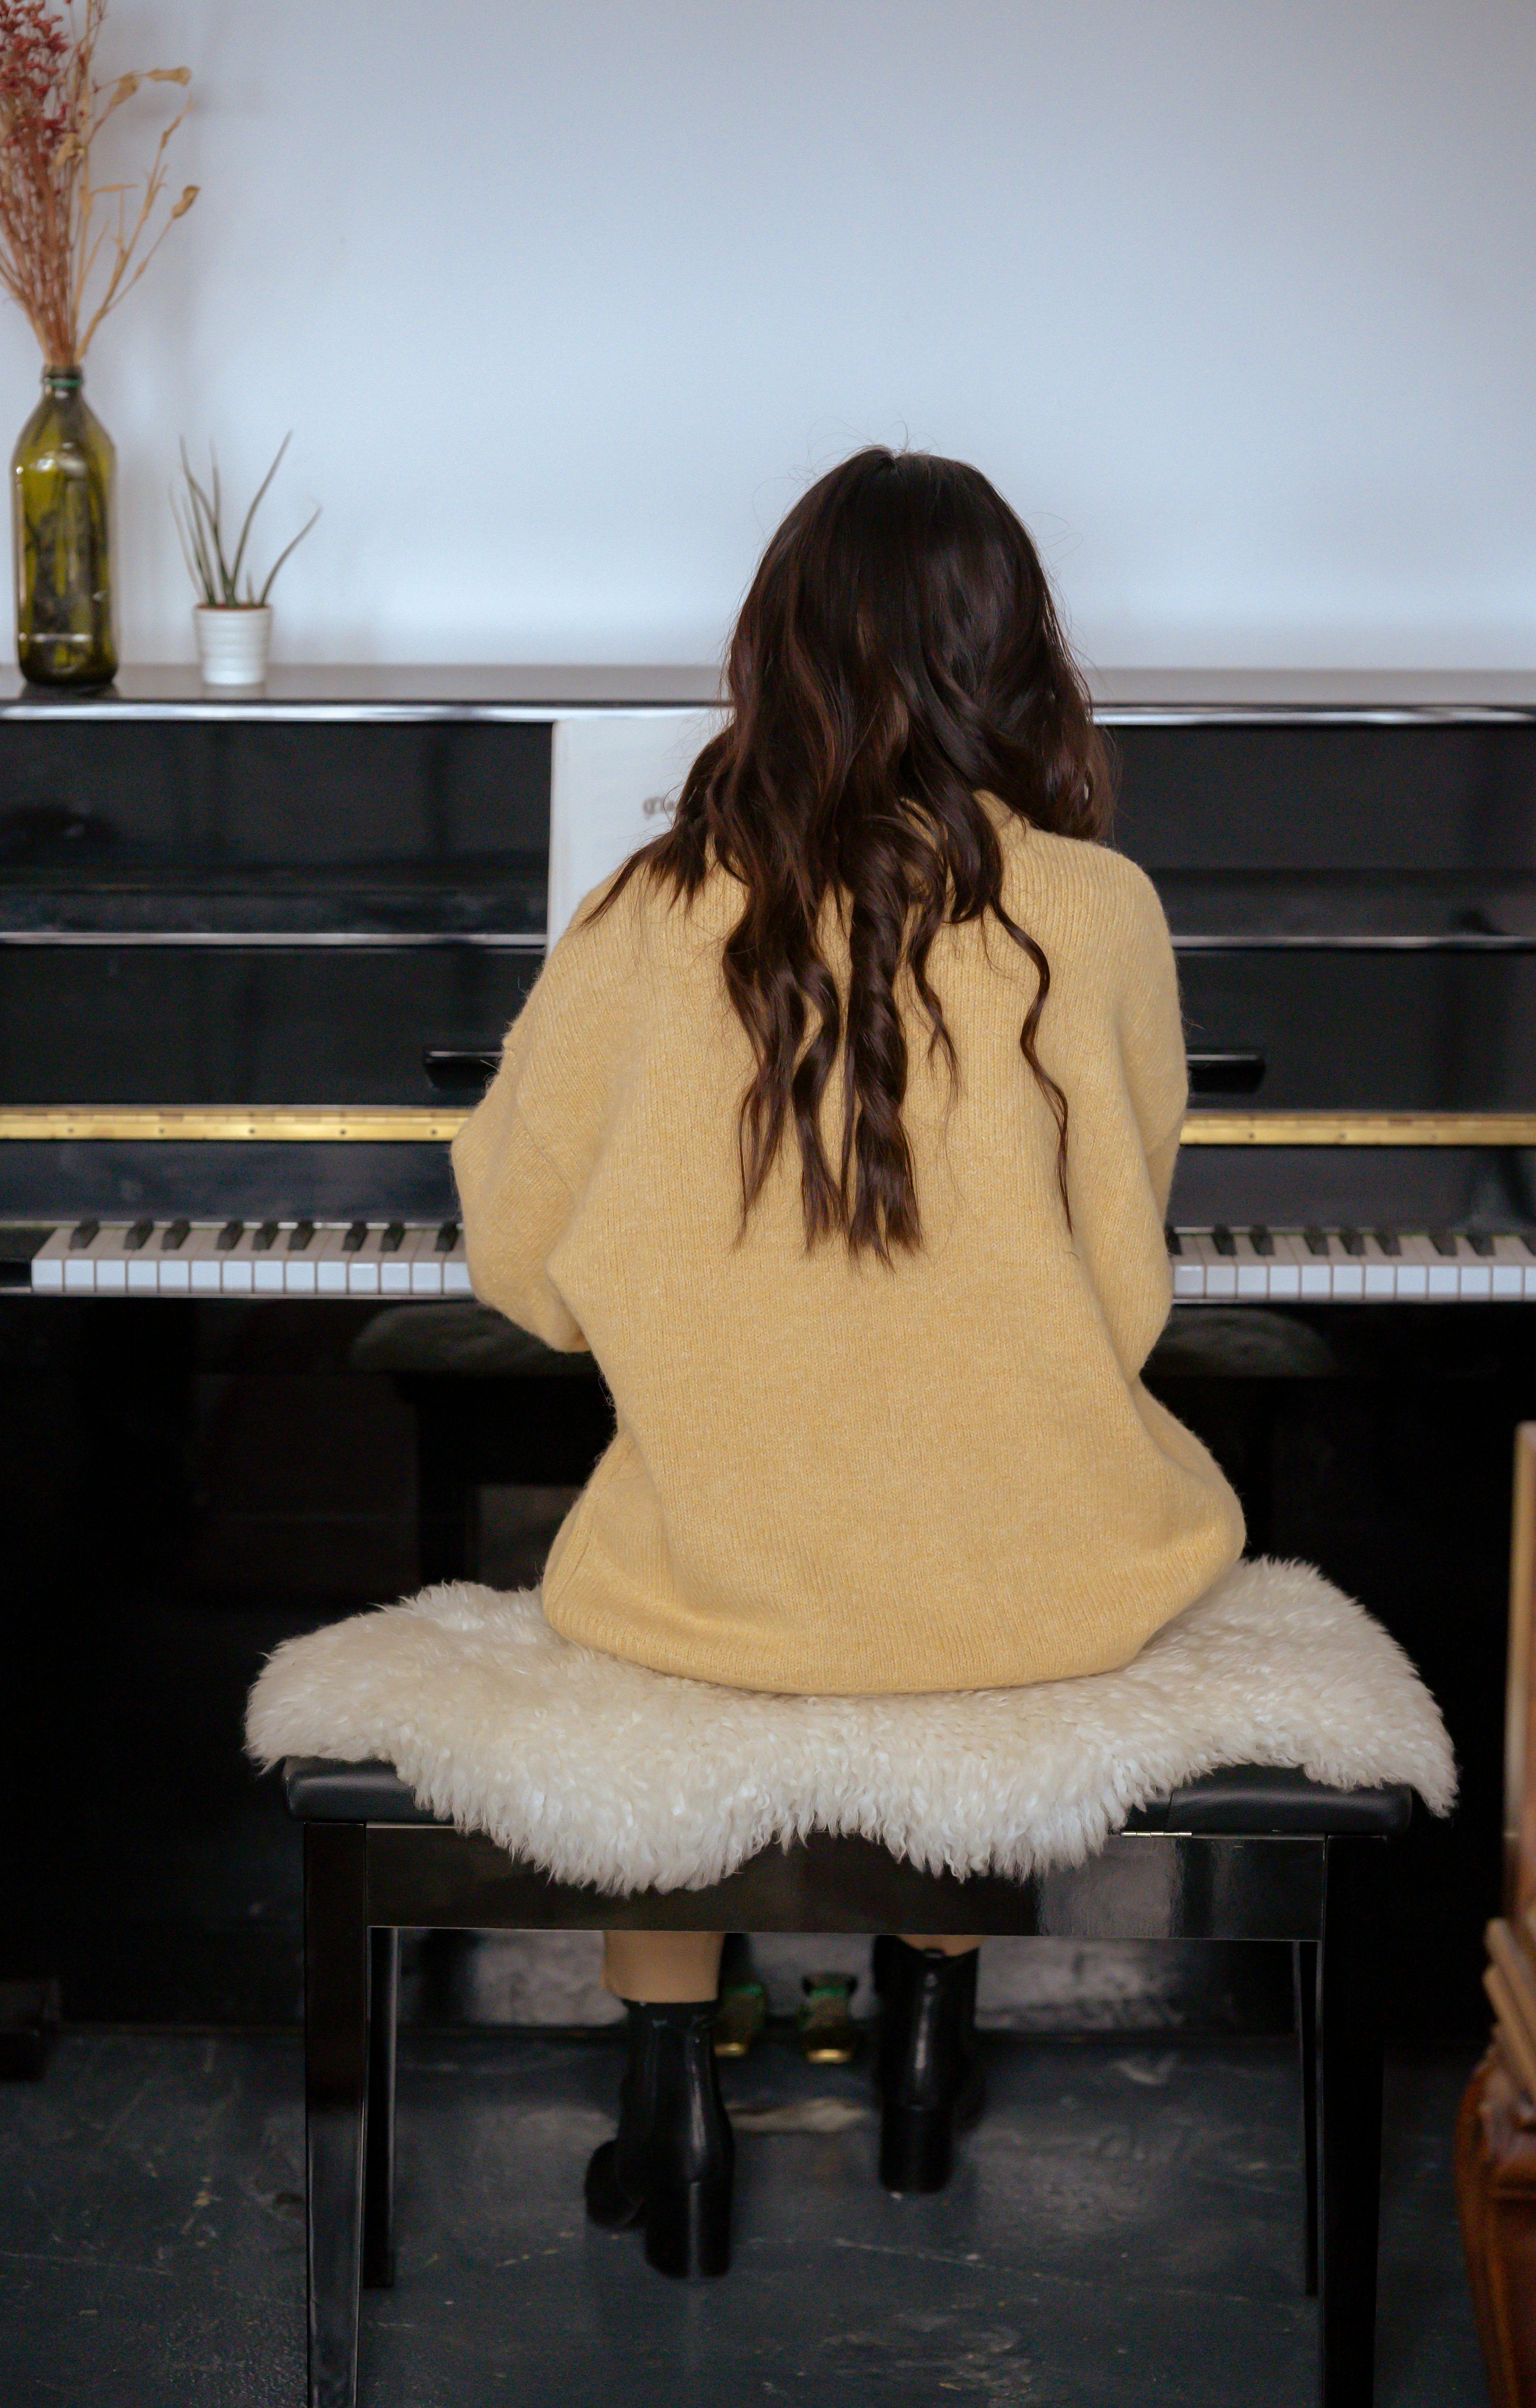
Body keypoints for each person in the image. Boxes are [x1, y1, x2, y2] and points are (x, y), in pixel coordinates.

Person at [451, 446, 1244, 2278]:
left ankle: (672, 2088)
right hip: (1037, 1591)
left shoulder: (652, 914)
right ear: (1015, 660)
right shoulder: (1102, 911)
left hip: (714, 1591)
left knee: (654, 1538)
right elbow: (1126, 1298)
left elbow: (519, 1264)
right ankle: (918, 2044)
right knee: (981, 1534)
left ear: (772, 652)